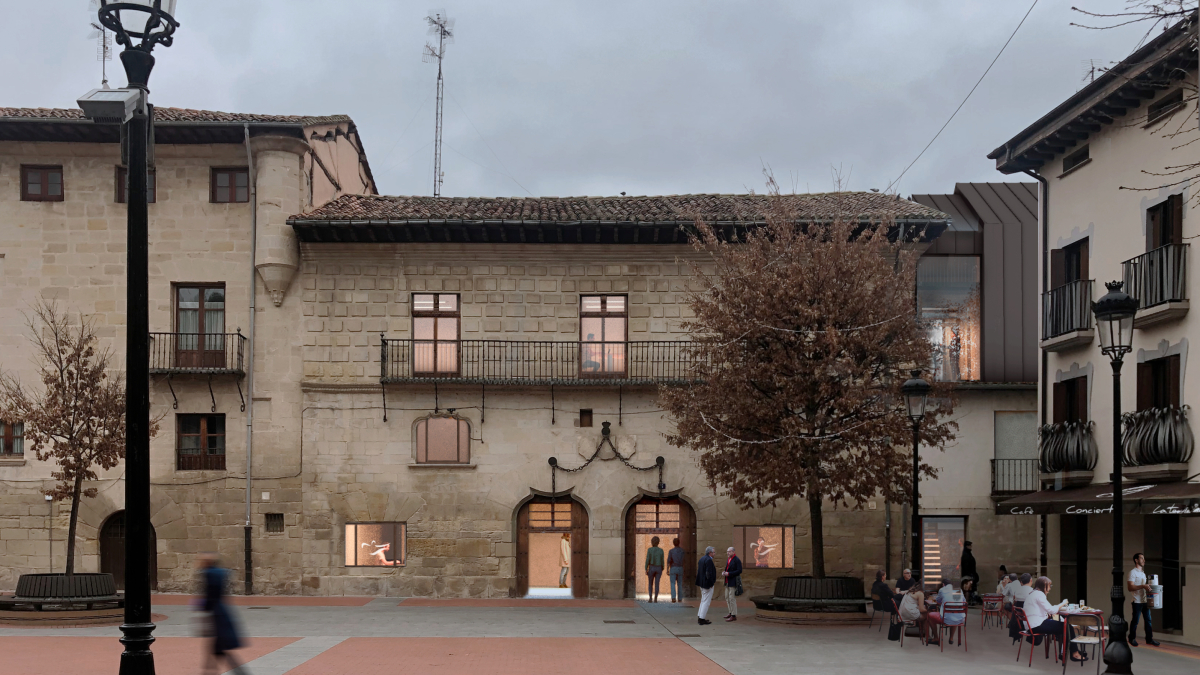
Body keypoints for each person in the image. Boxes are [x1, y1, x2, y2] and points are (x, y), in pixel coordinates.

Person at [199, 553, 247, 675]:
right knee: (218, 649)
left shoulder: (209, 574)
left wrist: (203, 606)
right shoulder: (221, 572)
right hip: (222, 611)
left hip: (217, 614)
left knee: (218, 648)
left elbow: (210, 594)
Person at [1026, 576, 1087, 663]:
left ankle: (1066, 653)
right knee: (1067, 627)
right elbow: (1052, 610)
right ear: (1044, 585)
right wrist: (1062, 603)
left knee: (1064, 626)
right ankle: (1074, 654)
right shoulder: (1039, 594)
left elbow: (1045, 609)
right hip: (1037, 624)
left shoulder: (1033, 593)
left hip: (1032, 624)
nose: (1050, 588)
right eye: (1049, 586)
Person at [1128, 552, 1160, 646]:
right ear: (1136, 560)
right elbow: (1130, 587)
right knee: (1135, 621)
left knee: (1148, 620)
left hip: (1145, 600)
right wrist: (1143, 586)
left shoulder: (1143, 573)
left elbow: (1144, 587)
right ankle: (1131, 638)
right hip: (1137, 601)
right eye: (1141, 558)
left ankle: (1149, 639)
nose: (1144, 560)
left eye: (1143, 558)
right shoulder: (1132, 572)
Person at [696, 546, 717, 625]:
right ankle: (702, 618)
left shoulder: (702, 559)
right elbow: (709, 573)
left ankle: (700, 616)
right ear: (710, 553)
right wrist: (711, 583)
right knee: (706, 602)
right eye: (713, 552)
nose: (714, 554)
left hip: (702, 583)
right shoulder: (709, 560)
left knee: (703, 600)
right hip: (707, 584)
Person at [722, 546, 743, 622]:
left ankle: (734, 615)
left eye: (729, 551)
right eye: (727, 551)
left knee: (732, 598)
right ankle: (730, 612)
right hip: (727, 581)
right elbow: (727, 568)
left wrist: (729, 574)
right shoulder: (728, 559)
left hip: (733, 581)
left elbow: (739, 570)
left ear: (733, 552)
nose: (728, 553)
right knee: (727, 597)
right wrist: (724, 573)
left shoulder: (736, 560)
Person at [645, 535, 665, 603]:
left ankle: (650, 598)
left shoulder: (649, 550)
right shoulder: (661, 550)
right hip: (659, 567)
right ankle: (655, 598)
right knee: (657, 583)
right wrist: (662, 567)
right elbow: (662, 560)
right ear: (658, 542)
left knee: (650, 583)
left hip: (651, 567)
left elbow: (648, 559)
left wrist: (646, 568)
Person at [667, 537, 686, 603]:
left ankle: (673, 598)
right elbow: (684, 561)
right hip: (680, 568)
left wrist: (667, 569)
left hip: (673, 568)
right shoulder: (682, 551)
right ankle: (680, 598)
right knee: (680, 584)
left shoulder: (671, 551)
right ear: (679, 543)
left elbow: (669, 561)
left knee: (672, 583)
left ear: (673, 543)